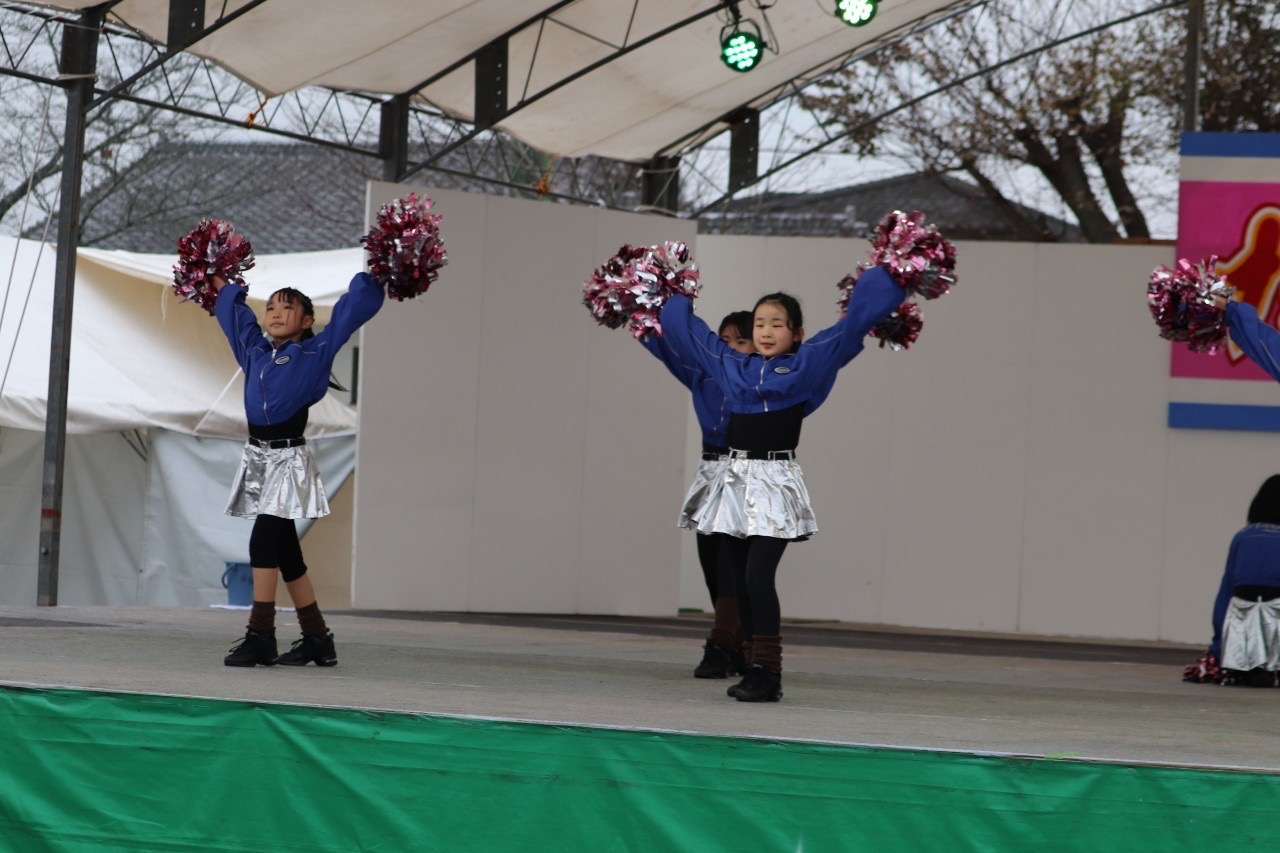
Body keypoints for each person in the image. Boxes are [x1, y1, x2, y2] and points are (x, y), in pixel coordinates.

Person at [658, 267, 904, 701]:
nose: (766, 331)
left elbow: (849, 329)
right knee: (736, 577)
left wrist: (893, 275)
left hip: (774, 483)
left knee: (757, 577)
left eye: (776, 324)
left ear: (796, 332)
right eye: (759, 324)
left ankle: (769, 674)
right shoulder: (733, 364)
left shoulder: (807, 363)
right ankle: (751, 665)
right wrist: (669, 294)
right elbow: (689, 334)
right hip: (733, 481)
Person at [214, 272, 385, 667]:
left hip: (287, 460)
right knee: (286, 553)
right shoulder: (255, 352)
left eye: (286, 306)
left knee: (262, 543)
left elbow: (347, 315)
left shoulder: (316, 351)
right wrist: (225, 288)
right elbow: (235, 322)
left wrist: (375, 278)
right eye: (270, 306)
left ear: (307, 321)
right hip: (259, 457)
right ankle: (317, 639)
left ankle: (261, 635)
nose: (275, 313)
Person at [640, 310, 754, 678]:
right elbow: (669, 348)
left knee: (729, 566)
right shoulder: (703, 373)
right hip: (711, 473)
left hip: (749, 474)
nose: (732, 348)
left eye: (742, 340)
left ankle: (720, 645)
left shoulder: (760, 378)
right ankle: (735, 646)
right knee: (711, 564)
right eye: (725, 341)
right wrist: (639, 315)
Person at [1192, 475, 1280, 686]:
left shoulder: (1243, 537)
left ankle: (1251, 665)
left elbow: (1226, 591)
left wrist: (1219, 643)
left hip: (1244, 613)